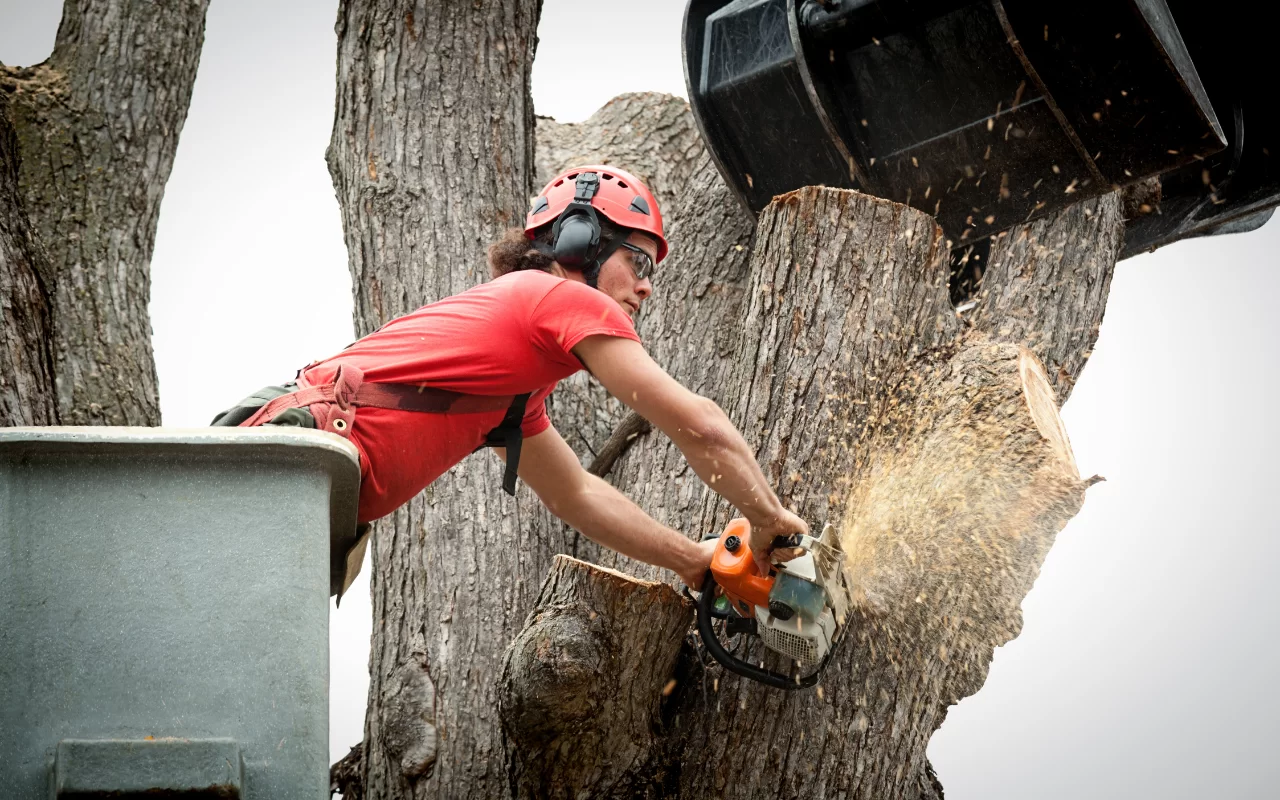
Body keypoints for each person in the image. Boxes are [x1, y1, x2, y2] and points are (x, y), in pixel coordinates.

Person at [213, 165, 807, 596]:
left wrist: (691, 559)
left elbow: (577, 494)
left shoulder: (513, 396)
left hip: (307, 485)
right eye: (638, 262)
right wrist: (771, 520)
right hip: (291, 457)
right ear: (582, 242)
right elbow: (696, 422)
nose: (646, 286)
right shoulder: (558, 296)